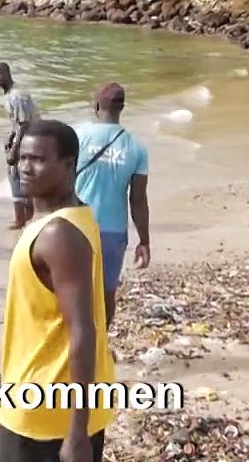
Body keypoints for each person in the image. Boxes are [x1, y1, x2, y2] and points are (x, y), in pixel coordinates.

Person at [0, 119, 115, 462]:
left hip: (45, 411)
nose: (25, 168)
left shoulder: (56, 234)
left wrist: (77, 433)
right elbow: (103, 301)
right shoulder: (79, 217)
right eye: (21, 158)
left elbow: (83, 329)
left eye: (38, 159)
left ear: (69, 165)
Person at [74, 83, 150, 330]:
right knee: (106, 293)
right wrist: (144, 240)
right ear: (122, 108)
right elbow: (137, 200)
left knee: (72, 289)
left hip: (76, 225)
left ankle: (72, 346)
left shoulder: (77, 137)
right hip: (113, 231)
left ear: (96, 106)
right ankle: (100, 348)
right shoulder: (136, 149)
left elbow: (57, 180)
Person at [0, 62, 40, 230]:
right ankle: (27, 216)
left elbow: (24, 124)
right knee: (24, 177)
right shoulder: (11, 96)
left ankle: (20, 219)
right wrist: (11, 136)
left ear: (8, 74)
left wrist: (14, 149)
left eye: (0, 74)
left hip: (28, 141)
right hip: (28, 139)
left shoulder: (16, 96)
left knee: (15, 175)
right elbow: (18, 124)